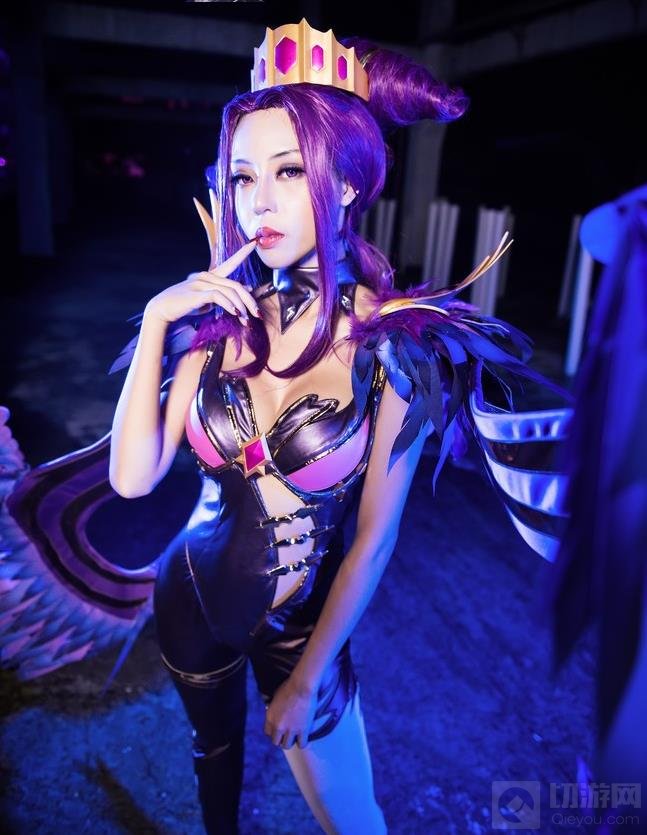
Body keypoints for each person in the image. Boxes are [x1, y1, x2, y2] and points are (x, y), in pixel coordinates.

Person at [1, 18, 574, 834]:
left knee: (353, 816)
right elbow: (132, 478)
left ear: (344, 184)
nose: (257, 202)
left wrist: (306, 678)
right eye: (242, 176)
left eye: (287, 169)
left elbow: (373, 536)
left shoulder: (395, 347)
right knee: (212, 770)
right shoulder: (216, 325)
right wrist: (160, 320)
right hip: (187, 595)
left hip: (301, 627)